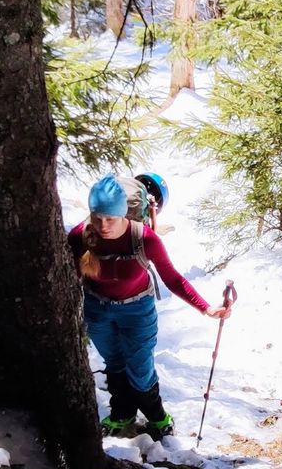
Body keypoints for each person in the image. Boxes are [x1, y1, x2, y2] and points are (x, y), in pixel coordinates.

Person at [70, 171, 224, 438]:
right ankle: (122, 413)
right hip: (98, 310)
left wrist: (206, 307)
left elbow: (173, 278)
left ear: (123, 215)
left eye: (111, 218)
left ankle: (157, 416)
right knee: (115, 362)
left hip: (137, 309)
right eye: (98, 218)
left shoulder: (144, 238)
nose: (103, 225)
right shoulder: (80, 236)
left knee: (140, 369)